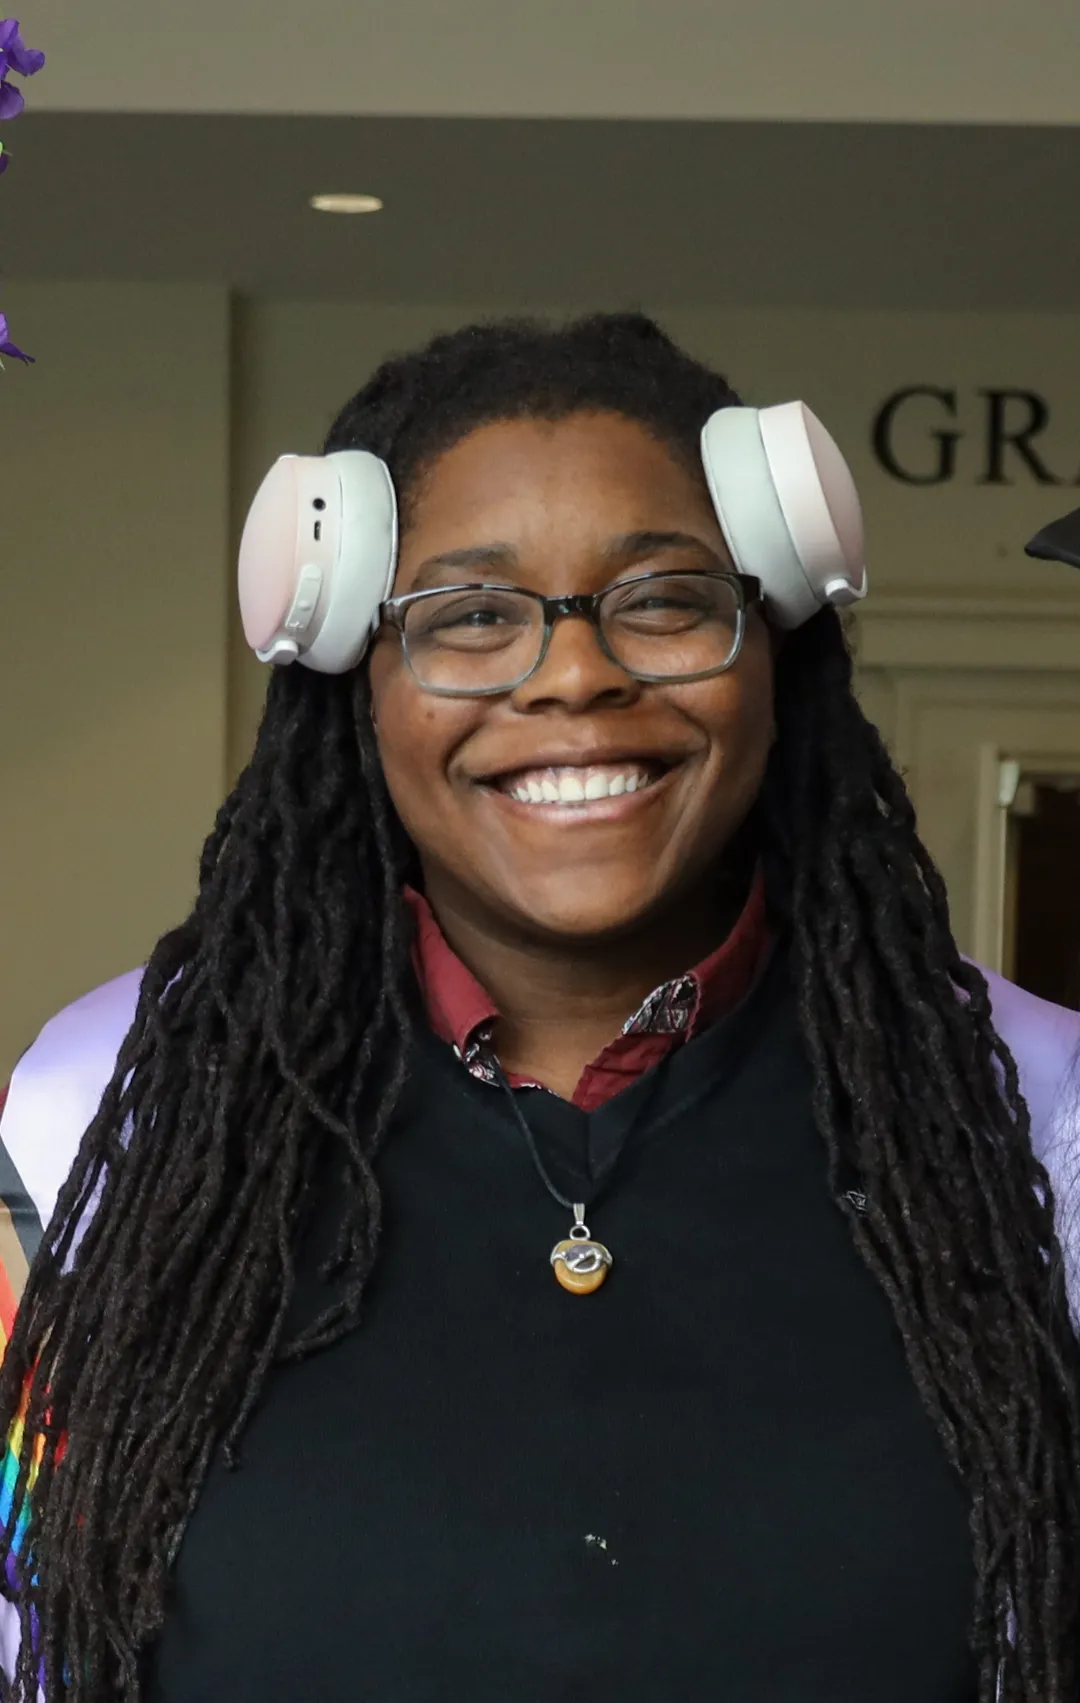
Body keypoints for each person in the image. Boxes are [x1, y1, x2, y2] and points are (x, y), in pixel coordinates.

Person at [0, 313, 1078, 1703]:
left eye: (667, 598)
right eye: (470, 616)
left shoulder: (1033, 1115)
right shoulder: (113, 1111)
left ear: (775, 648)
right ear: (354, 678)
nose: (573, 673)